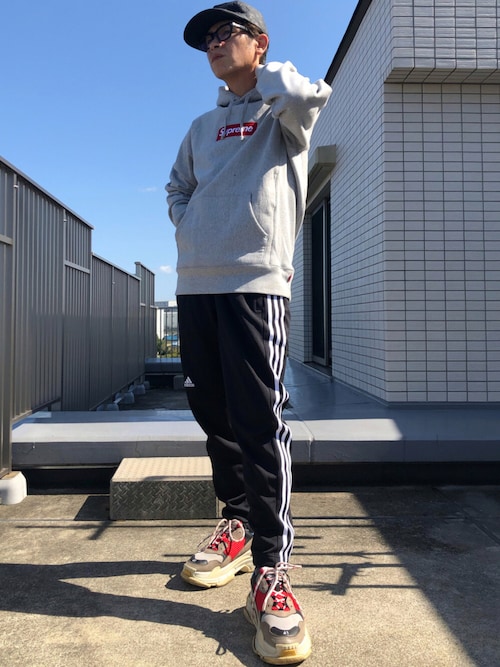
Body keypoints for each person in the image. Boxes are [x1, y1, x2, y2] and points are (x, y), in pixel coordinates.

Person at [166, 3, 331, 663]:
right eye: (206, 38)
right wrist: (192, 226)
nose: (213, 44)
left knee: (260, 420)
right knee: (215, 415)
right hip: (195, 284)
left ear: (259, 42)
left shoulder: (283, 113)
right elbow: (178, 188)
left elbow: (305, 92)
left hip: (256, 283)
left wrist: (260, 72)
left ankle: (272, 569)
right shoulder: (199, 127)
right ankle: (235, 522)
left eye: (225, 32)